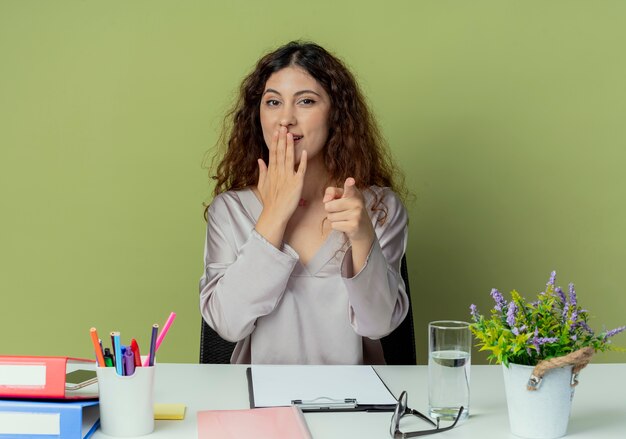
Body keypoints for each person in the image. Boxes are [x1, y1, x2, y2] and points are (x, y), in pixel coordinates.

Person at [199, 41, 409, 365]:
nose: (285, 119)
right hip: (260, 405)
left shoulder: (379, 207)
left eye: (306, 101)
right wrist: (273, 216)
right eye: (272, 102)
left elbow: (379, 325)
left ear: (335, 115)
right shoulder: (230, 211)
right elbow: (228, 324)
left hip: (357, 405)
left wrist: (363, 235)